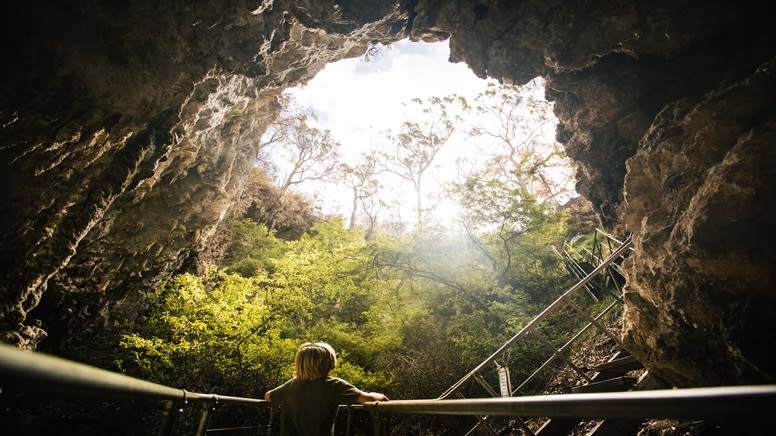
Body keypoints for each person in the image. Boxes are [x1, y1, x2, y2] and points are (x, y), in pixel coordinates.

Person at [264, 342, 389, 436]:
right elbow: (367, 399)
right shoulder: (334, 385)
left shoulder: (290, 385)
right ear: (329, 363)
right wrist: (380, 396)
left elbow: (268, 396)